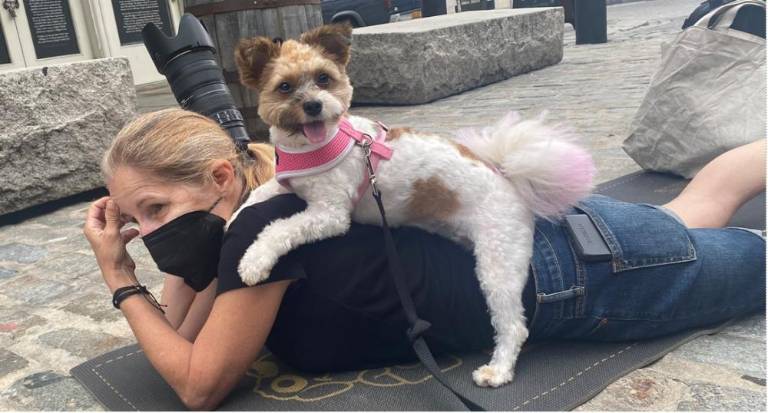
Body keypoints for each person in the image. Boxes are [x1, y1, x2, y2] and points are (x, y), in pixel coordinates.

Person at [83, 108, 766, 410]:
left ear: (221, 179)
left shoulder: (267, 224)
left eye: (156, 209)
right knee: (696, 207)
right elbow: (183, 330)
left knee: (744, 254)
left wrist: (120, 278)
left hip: (575, 277)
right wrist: (172, 245)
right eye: (132, 217)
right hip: (556, 243)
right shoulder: (249, 222)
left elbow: (197, 382)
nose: (143, 231)